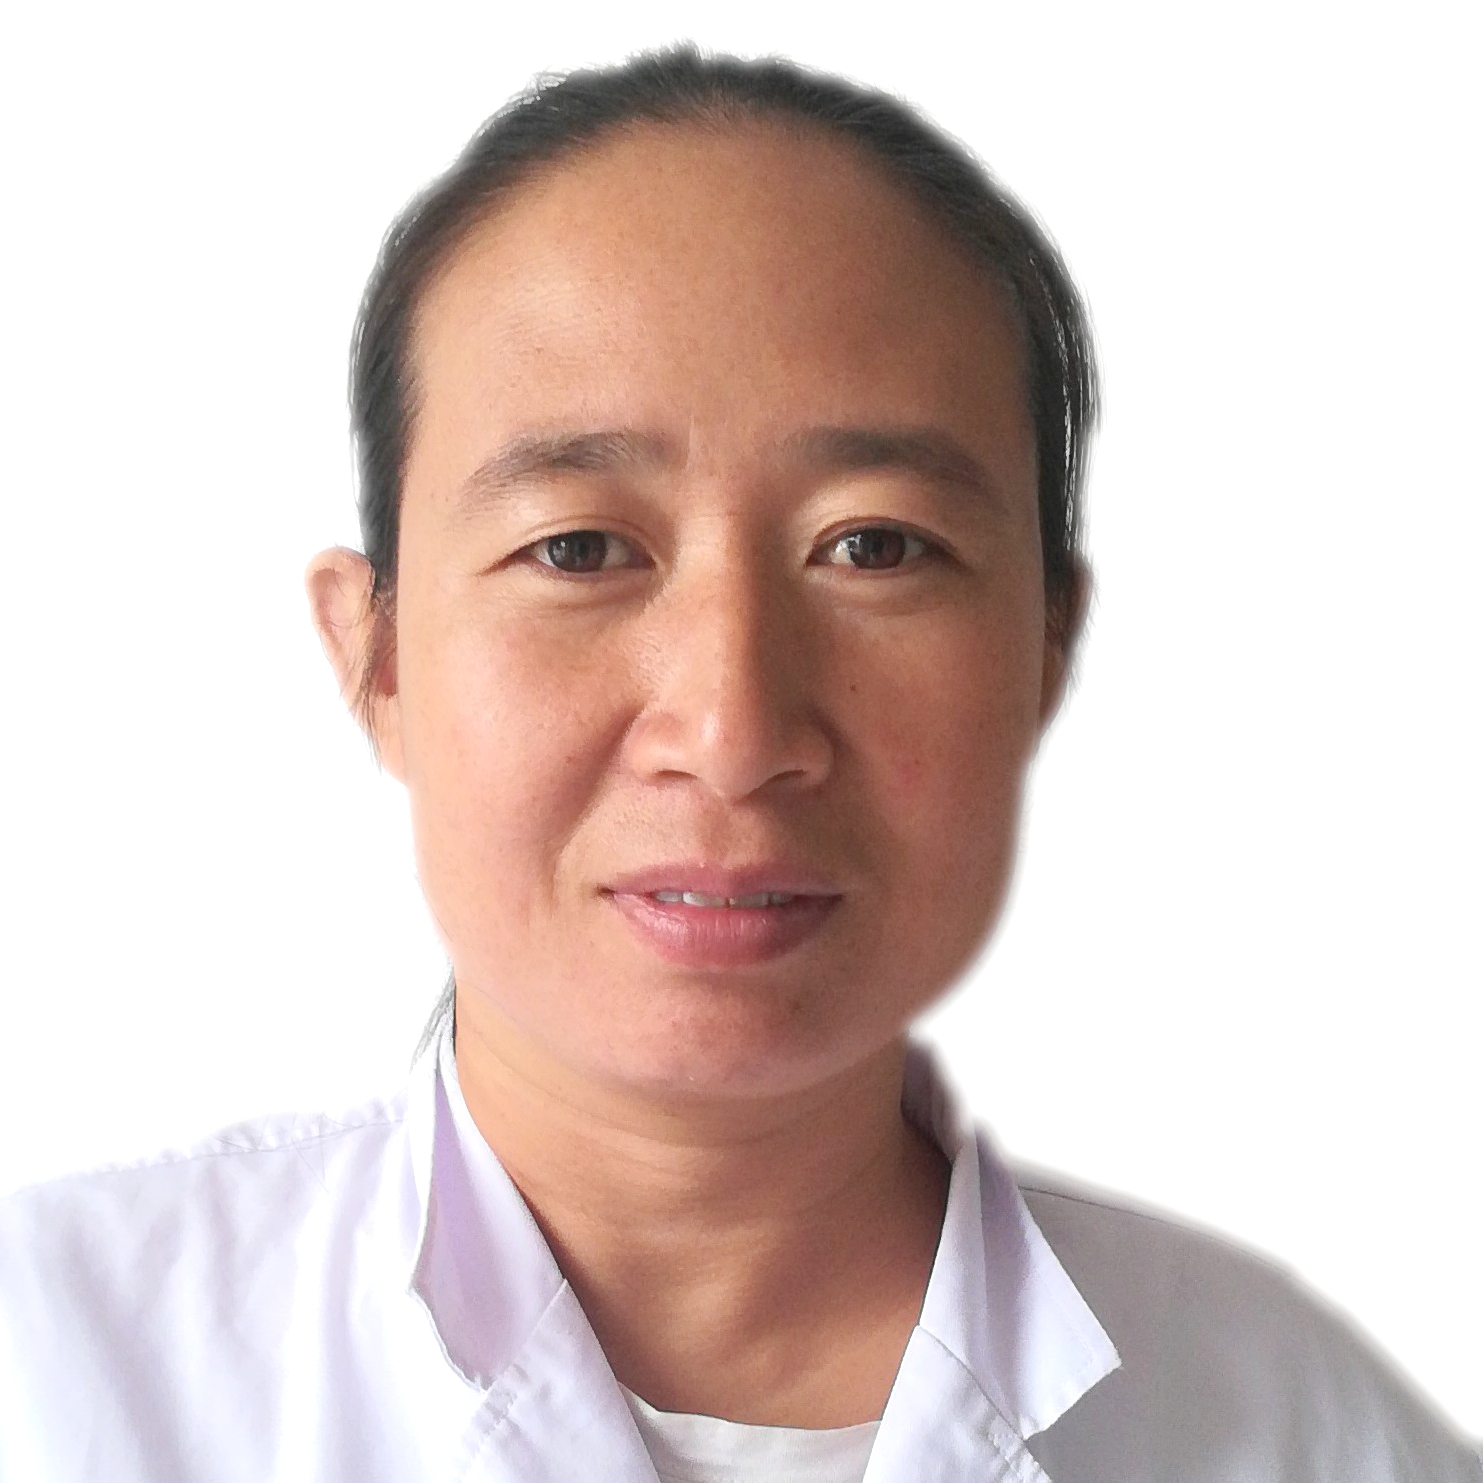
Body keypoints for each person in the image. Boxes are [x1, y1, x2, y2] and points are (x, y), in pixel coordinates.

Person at [0, 46, 1476, 1483]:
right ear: (375, 656)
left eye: (874, 546)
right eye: (578, 548)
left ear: (1046, 647)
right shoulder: (52, 1374)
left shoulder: (1307, 1434)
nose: (732, 731)